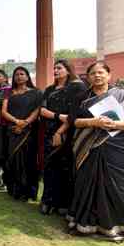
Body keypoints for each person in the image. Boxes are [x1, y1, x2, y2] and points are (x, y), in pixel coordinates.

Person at [67, 62, 124, 242]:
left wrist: (115, 124)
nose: (97, 76)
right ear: (88, 77)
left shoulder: (123, 96)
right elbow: (74, 122)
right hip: (88, 147)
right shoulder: (81, 97)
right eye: (93, 73)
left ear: (109, 75)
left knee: (116, 186)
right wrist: (94, 122)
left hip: (117, 147)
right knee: (87, 182)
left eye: (101, 72)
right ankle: (86, 223)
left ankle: (113, 226)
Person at [39, 60, 87, 215]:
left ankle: (63, 204)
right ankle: (48, 201)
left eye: (59, 68)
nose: (55, 70)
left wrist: (60, 131)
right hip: (48, 132)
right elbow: (43, 111)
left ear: (68, 70)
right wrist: (58, 116)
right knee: (50, 167)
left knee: (65, 167)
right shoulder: (50, 89)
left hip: (67, 133)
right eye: (54, 68)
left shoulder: (77, 87)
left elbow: (74, 114)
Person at [1, 67, 42, 201]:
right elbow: (4, 111)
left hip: (29, 131)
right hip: (12, 130)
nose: (19, 77)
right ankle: (14, 189)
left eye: (22, 74)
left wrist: (26, 122)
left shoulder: (36, 93)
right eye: (16, 75)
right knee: (12, 159)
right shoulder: (9, 93)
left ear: (27, 76)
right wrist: (16, 121)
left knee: (27, 161)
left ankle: (27, 191)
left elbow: (38, 109)